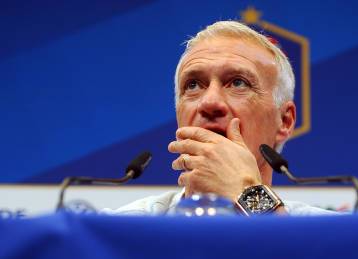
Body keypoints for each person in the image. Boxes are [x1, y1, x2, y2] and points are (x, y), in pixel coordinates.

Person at [109, 20, 335, 216]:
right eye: (194, 85)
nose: (209, 103)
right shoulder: (121, 231)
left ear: (284, 121)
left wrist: (247, 193)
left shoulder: (331, 235)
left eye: (238, 83)